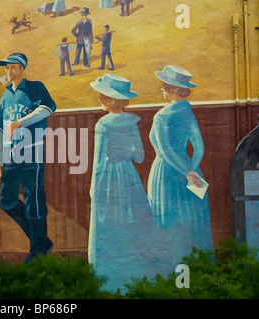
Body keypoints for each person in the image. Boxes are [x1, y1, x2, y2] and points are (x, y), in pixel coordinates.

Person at [88, 73, 156, 294]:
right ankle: (135, 274)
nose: (100, 98)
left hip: (107, 177)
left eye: (103, 95)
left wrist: (93, 188)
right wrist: (125, 152)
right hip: (128, 176)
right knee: (132, 222)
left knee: (107, 224)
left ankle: (108, 278)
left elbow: (98, 160)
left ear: (111, 99)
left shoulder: (102, 124)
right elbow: (140, 156)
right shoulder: (131, 122)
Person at [0, 53, 56, 262]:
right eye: (6, 68)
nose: (8, 72)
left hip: (31, 150)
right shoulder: (5, 95)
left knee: (33, 204)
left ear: (21, 68)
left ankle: (37, 251)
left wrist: (21, 122)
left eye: (12, 67)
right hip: (11, 153)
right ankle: (43, 241)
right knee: (5, 201)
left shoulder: (34, 86)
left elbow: (48, 107)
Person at [147, 65, 213, 267]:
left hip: (165, 172)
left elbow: (165, 151)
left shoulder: (162, 116)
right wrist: (191, 171)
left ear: (174, 89)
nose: (162, 88)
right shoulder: (187, 112)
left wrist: (186, 172)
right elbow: (199, 147)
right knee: (194, 215)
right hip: (188, 167)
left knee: (167, 217)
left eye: (165, 85)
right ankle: (197, 265)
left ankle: (171, 267)